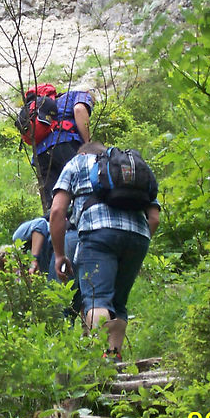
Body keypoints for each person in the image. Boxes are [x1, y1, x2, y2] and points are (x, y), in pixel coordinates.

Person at [49, 142, 160, 361]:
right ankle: (113, 360)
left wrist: (60, 254)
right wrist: (135, 244)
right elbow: (154, 218)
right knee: (118, 304)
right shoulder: (132, 168)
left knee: (97, 299)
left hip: (98, 233)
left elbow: (57, 211)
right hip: (138, 236)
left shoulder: (77, 162)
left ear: (83, 153)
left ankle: (100, 364)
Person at [23, 86, 93, 211]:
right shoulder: (80, 94)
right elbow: (79, 109)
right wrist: (87, 143)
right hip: (64, 144)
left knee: (53, 202)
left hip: (40, 155)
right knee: (81, 188)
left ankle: (54, 227)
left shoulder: (46, 103)